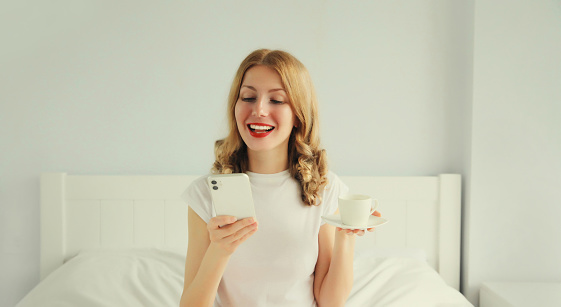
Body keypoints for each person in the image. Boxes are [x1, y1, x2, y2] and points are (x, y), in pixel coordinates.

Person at [179, 49, 381, 307]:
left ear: (298, 115)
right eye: (248, 97)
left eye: (276, 100)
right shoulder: (204, 194)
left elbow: (330, 302)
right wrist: (220, 250)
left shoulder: (323, 189)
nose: (259, 110)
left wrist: (346, 235)